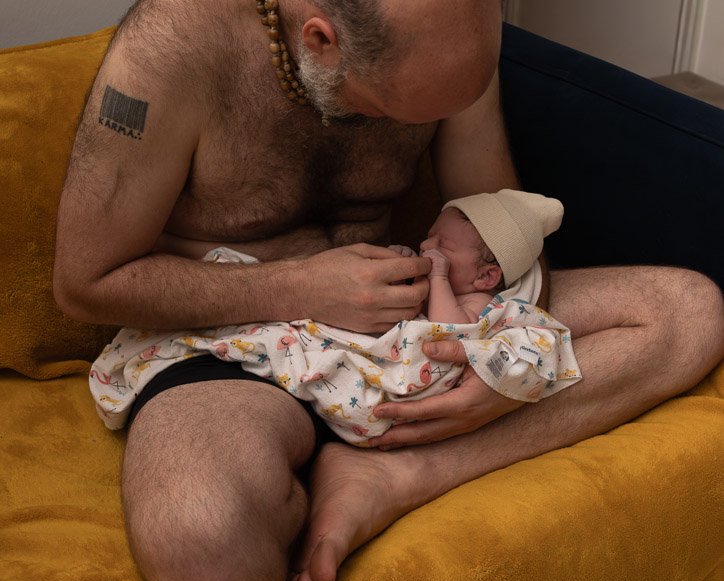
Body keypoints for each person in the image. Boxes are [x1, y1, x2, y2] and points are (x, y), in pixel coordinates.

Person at [53, 0, 724, 581]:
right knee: (209, 552)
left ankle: (397, 477)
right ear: (320, 40)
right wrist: (300, 287)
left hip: (416, 318)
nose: (423, 127)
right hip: (237, 342)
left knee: (688, 311)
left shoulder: (446, 46)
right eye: (391, 111)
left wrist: (504, 364)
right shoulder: (174, 47)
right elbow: (86, 283)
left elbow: (494, 226)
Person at [89, 190, 581, 443]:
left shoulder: (481, 307)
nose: (430, 247)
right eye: (431, 236)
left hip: (401, 369)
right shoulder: (451, 274)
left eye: (443, 247)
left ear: (487, 278)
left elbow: (448, 332)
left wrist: (433, 278)